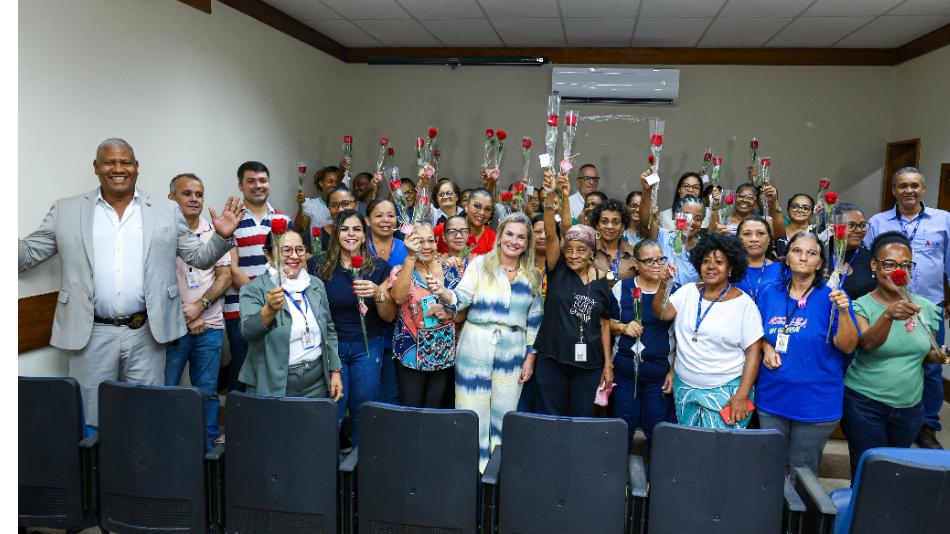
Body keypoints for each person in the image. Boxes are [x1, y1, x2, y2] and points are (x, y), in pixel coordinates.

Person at [18, 138, 243, 426]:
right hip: (91, 332)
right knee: (90, 416)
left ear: (137, 167)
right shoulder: (67, 210)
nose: (118, 169)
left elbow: (199, 258)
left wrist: (222, 236)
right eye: (109, 162)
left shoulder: (165, 209)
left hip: (146, 332)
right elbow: (26, 256)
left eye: (125, 162)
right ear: (96, 166)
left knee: (146, 414)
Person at [426, 212, 544, 472]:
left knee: (505, 413)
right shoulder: (480, 264)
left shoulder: (533, 276)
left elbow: (535, 320)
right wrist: (443, 292)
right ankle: (471, 472)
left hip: (512, 351)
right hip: (475, 345)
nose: (514, 241)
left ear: (527, 243)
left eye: (521, 237)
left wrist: (530, 357)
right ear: (499, 236)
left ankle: (497, 472)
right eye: (509, 234)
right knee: (471, 411)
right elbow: (461, 297)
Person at [841, 231, 945, 477]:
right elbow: (867, 345)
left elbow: (926, 354)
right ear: (874, 266)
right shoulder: (860, 306)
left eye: (906, 265)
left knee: (896, 472)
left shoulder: (925, 307)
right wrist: (888, 315)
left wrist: (940, 355)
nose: (899, 271)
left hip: (910, 406)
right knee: (868, 471)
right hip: (865, 404)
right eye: (889, 264)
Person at [756, 232, 858, 481]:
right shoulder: (770, 293)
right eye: (797, 251)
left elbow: (847, 347)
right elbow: (755, 333)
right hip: (772, 397)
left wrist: (844, 312)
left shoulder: (833, 297)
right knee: (770, 468)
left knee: (803, 471)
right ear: (786, 258)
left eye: (811, 253)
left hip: (816, 402)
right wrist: (767, 347)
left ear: (820, 263)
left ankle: (799, 509)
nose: (803, 257)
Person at [864, 167, 950, 449]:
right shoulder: (878, 222)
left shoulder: (944, 220)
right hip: (886, 304)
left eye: (914, 185)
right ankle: (887, 415)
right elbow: (868, 263)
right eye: (902, 186)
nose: (909, 190)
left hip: (929, 305)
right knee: (887, 357)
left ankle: (927, 426)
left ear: (923, 188)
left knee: (932, 365)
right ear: (894, 190)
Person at [653, 232, 764, 429]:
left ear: (731, 268)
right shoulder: (687, 292)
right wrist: (664, 285)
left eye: (719, 262)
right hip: (685, 389)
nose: (711, 266)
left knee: (720, 446)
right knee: (691, 443)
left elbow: (754, 352)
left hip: (726, 392)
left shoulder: (744, 304)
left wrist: (742, 395)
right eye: (706, 261)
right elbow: (662, 313)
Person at [309, 210, 395, 448]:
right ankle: (328, 464)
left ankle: (359, 462)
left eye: (356, 229)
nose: (351, 234)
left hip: (367, 346)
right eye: (345, 229)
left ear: (364, 234)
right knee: (333, 409)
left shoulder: (379, 267)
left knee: (363, 409)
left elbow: (389, 316)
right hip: (331, 347)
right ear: (336, 233)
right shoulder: (318, 265)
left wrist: (378, 292)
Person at [533, 174, 613, 417]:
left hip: (588, 366)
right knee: (551, 419)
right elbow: (552, 233)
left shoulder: (602, 280)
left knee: (581, 421)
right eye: (569, 249)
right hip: (553, 361)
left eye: (581, 250)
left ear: (591, 253)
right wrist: (552, 197)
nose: (573, 255)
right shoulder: (558, 269)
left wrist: (608, 365)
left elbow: (605, 324)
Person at [165, 174, 232, 449]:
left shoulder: (214, 231)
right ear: (171, 199)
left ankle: (208, 445)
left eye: (199, 194)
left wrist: (199, 307)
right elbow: (151, 283)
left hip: (210, 327)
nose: (194, 199)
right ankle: (169, 445)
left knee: (207, 391)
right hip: (170, 328)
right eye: (187, 193)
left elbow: (225, 276)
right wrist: (184, 316)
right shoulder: (160, 233)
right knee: (165, 390)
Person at [239, 229, 343, 399]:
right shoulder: (254, 289)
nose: (294, 256)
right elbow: (248, 332)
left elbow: (329, 330)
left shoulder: (314, 284)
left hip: (316, 383)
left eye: (299, 249)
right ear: (269, 255)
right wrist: (269, 310)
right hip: (273, 384)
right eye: (286, 250)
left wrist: (335, 370)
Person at [223, 161, 294, 393]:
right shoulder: (230, 221)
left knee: (272, 368)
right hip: (240, 308)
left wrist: (274, 302)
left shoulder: (283, 221)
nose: (258, 185)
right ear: (240, 185)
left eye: (262, 180)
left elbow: (292, 264)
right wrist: (265, 298)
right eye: (251, 181)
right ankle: (237, 416)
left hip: (279, 306)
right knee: (242, 368)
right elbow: (232, 270)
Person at [387, 222, 462, 407]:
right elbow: (398, 298)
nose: (426, 246)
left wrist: (449, 312)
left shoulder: (451, 270)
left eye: (430, 241)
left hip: (444, 352)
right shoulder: (400, 270)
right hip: (411, 353)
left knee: (435, 411)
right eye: (420, 241)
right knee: (411, 411)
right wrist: (411, 257)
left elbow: (463, 311)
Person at [610, 239, 675, 450]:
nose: (656, 265)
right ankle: (620, 469)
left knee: (657, 430)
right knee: (622, 427)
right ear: (636, 264)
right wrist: (623, 327)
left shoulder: (675, 291)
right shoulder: (622, 288)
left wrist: (673, 371)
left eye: (660, 259)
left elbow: (684, 337)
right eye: (649, 261)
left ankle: (655, 470)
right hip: (625, 372)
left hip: (659, 375)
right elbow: (606, 324)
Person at [365, 198, 408, 405]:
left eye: (391, 215)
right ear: (367, 220)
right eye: (379, 215)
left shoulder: (407, 248)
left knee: (393, 391)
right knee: (369, 390)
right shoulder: (360, 247)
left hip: (400, 328)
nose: (386, 220)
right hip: (367, 328)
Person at [640, 171, 700, 289]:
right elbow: (646, 221)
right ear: (677, 216)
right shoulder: (664, 237)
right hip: (661, 297)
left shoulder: (705, 246)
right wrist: (647, 190)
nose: (691, 221)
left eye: (697, 218)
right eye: (686, 215)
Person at [827, 202, 877, 301]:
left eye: (862, 225)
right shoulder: (820, 254)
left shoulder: (871, 259)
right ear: (833, 227)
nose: (859, 230)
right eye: (851, 225)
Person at [735, 216, 783, 303]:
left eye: (761, 233)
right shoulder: (729, 270)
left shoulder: (783, 271)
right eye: (747, 234)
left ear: (769, 238)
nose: (754, 239)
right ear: (738, 238)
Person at [436, 188, 496, 256]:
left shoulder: (493, 239)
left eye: (487, 209)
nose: (482, 212)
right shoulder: (443, 229)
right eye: (477, 206)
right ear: (466, 207)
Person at [590, 199, 636, 285]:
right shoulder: (589, 250)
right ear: (597, 225)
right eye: (604, 221)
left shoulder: (634, 253)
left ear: (623, 226)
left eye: (615, 222)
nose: (609, 226)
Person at [295, 165, 341, 234]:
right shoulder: (311, 204)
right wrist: (300, 207)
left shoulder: (343, 207)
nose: (334, 185)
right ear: (321, 184)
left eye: (337, 182)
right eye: (330, 181)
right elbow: (300, 229)